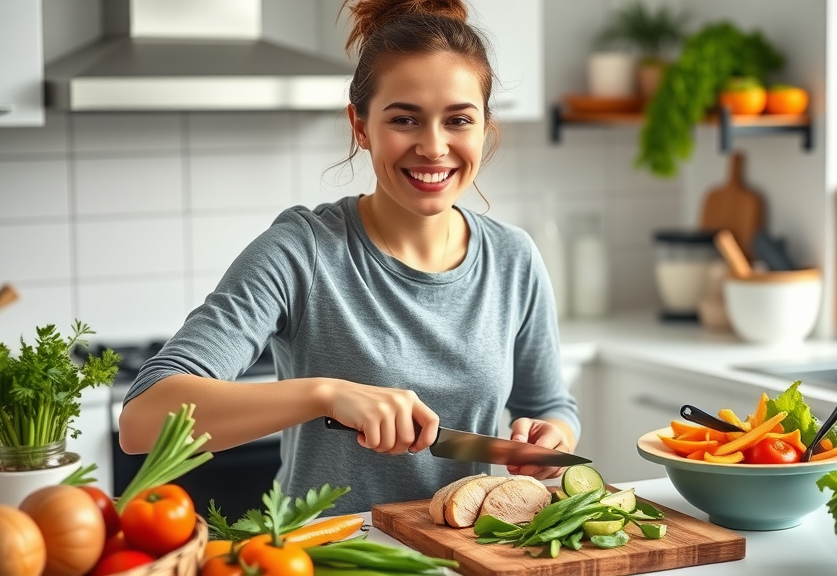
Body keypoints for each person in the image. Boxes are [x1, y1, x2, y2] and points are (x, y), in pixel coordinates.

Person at [118, 0, 580, 515]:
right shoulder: (302, 251)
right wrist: (325, 394)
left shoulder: (513, 258)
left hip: (462, 554)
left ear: (485, 128)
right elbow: (141, 420)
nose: (433, 146)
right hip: (326, 555)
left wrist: (552, 436)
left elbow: (549, 406)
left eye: (458, 120)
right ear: (360, 127)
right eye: (405, 119)